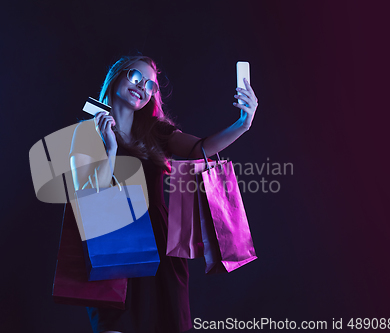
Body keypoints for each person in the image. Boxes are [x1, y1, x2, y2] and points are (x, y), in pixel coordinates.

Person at [69, 55, 258, 333]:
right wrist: (109, 150)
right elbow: (92, 197)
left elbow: (200, 149)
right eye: (135, 77)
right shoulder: (85, 134)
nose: (142, 87)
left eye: (150, 86)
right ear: (117, 76)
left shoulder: (156, 132)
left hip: (160, 251)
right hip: (112, 249)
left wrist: (243, 123)